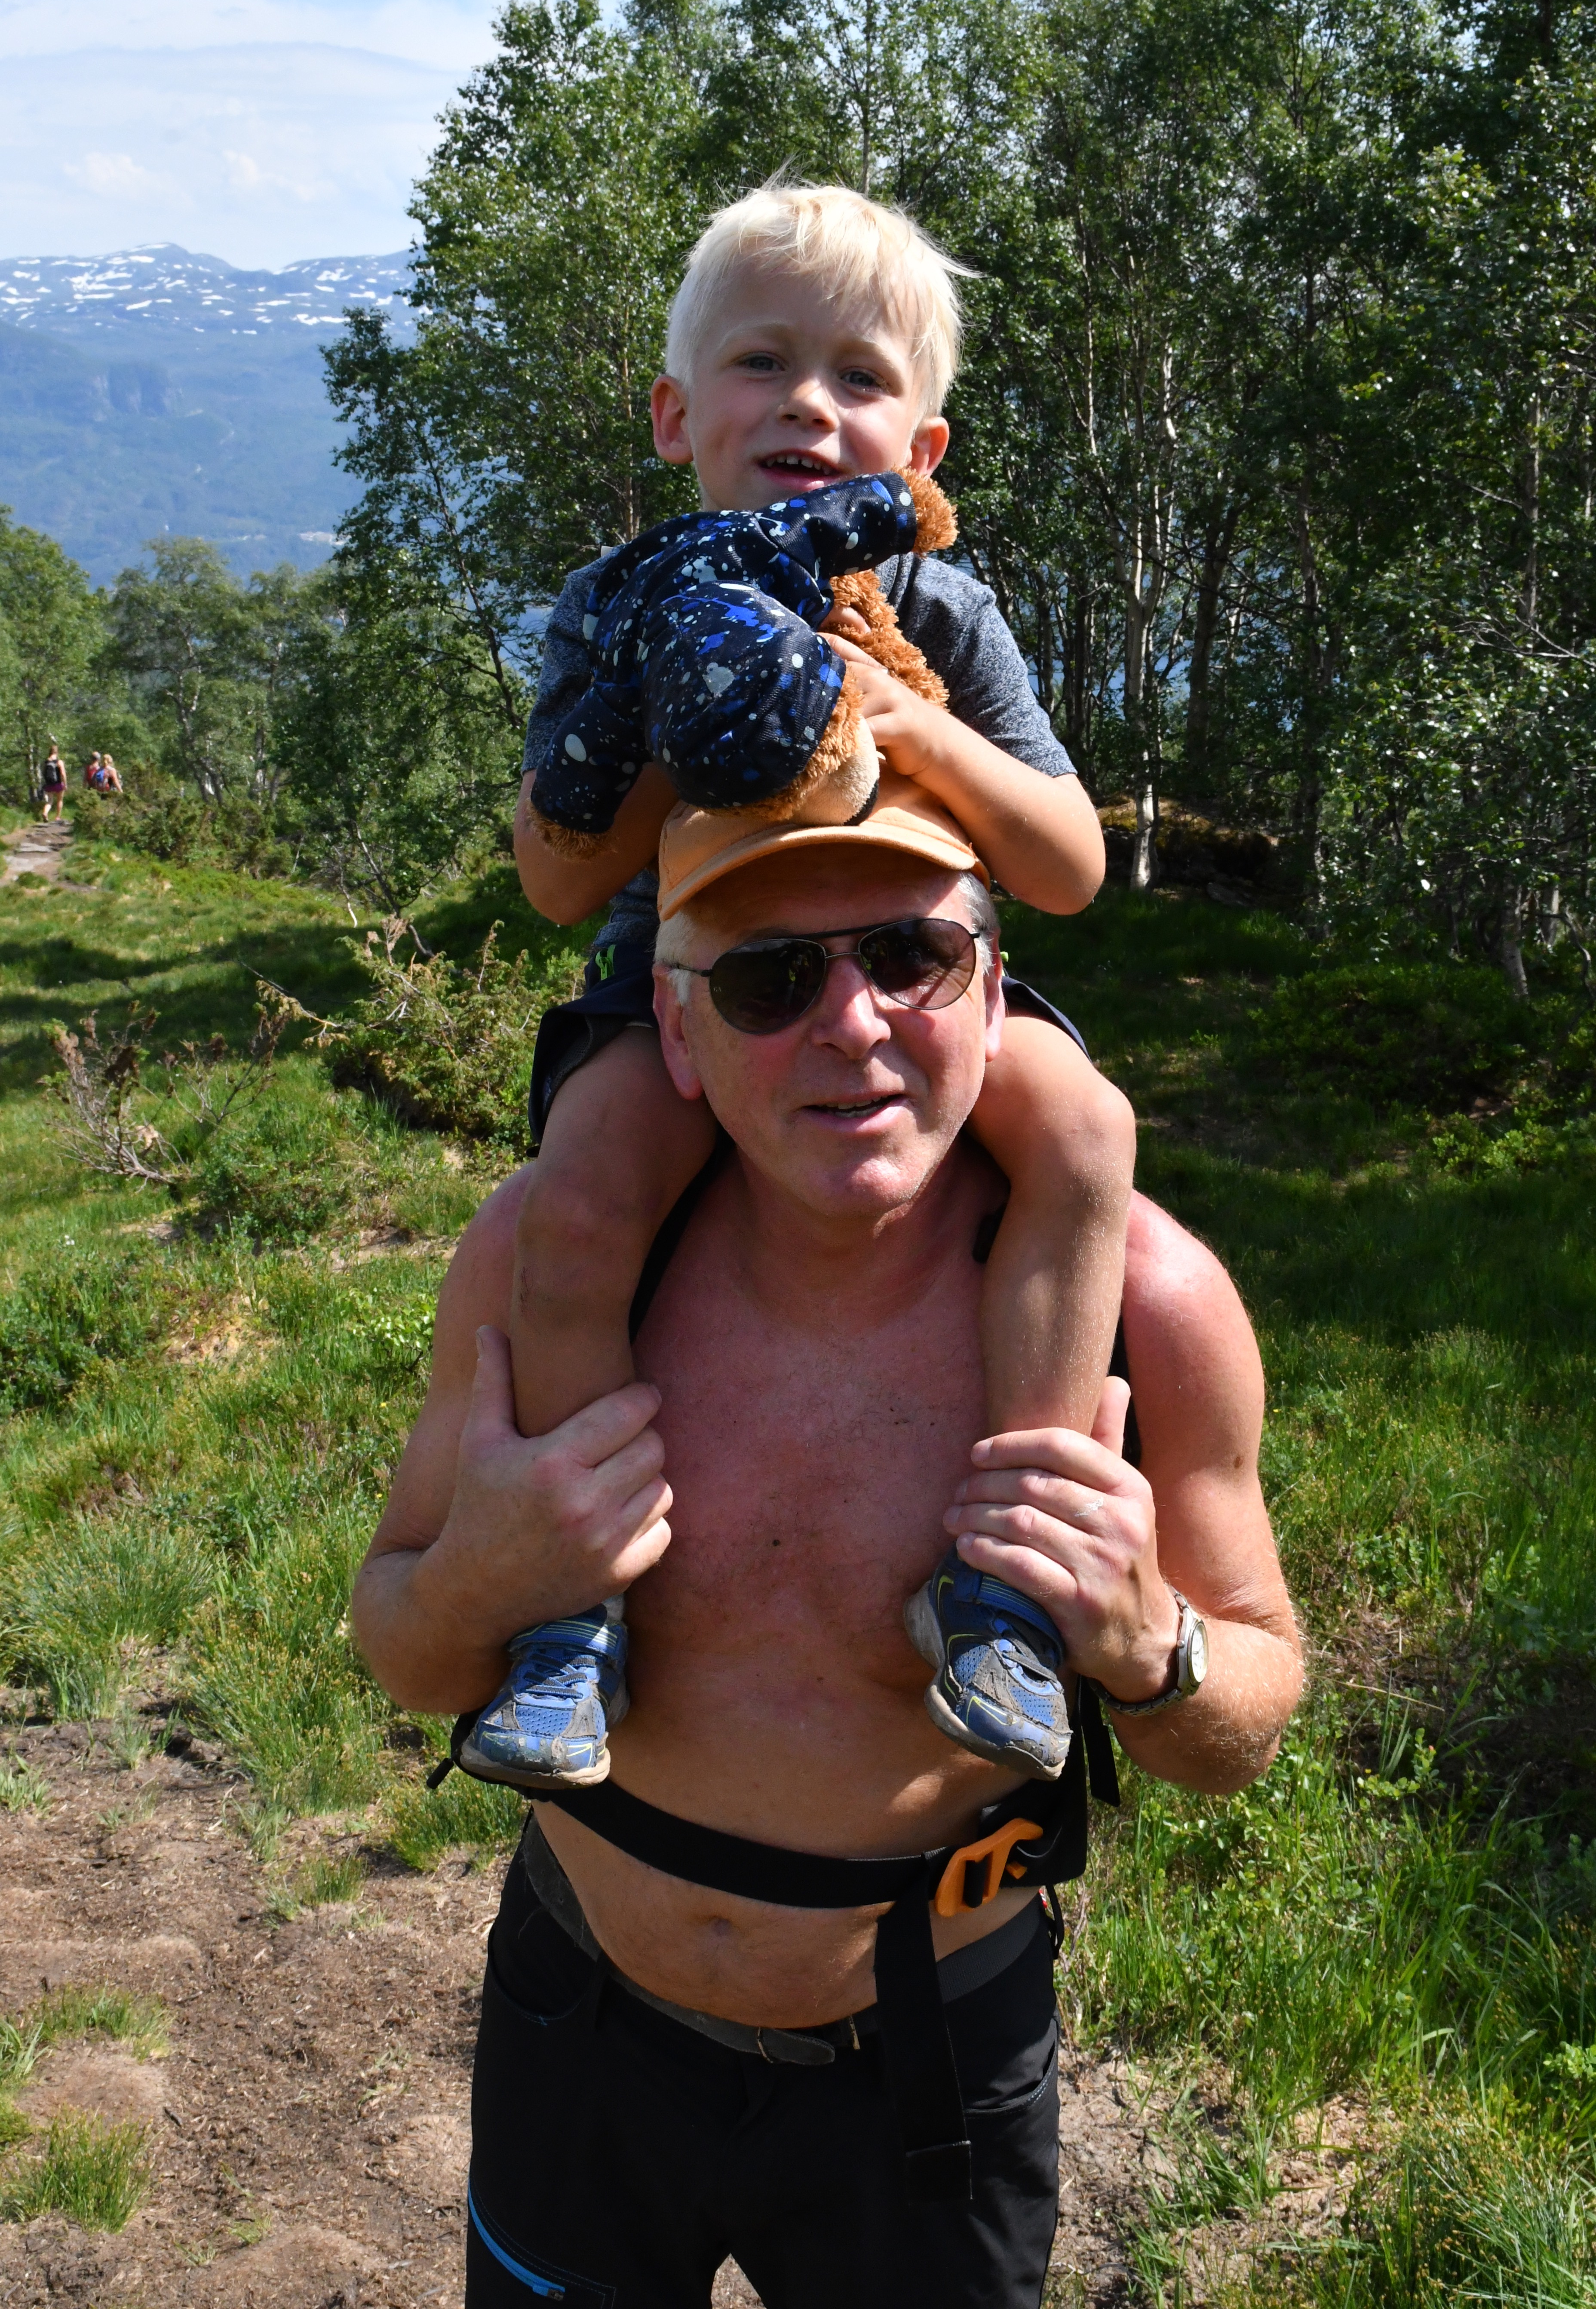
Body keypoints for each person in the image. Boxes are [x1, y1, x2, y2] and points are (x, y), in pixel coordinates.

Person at [353, 788, 1303, 2309]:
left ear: (993, 991)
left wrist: (1150, 1643)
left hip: (933, 2059)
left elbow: (1246, 1718)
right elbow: (401, 1639)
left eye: (910, 956)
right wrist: (481, 1577)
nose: (851, 1025)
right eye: (768, 978)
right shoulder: (550, 1263)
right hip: (578, 2023)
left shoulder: (1150, 1303)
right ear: (676, 1031)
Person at [467, 182, 1137, 1798]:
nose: (809, 406)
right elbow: (553, 880)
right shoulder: (614, 604)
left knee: (1086, 1133)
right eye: (761, 362)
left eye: (860, 376)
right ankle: (572, 1614)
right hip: (682, 981)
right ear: (674, 414)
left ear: (922, 453)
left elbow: (1066, 864)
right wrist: (670, 692)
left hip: (919, 981)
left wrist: (898, 723)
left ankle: (1006, 1588)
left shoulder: (938, 608)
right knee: (580, 1193)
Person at [40, 744, 66, 820]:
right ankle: (58, 817)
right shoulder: (59, 762)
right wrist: (65, 784)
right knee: (60, 800)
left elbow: (43, 773)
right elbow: (63, 774)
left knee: (50, 801)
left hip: (49, 785)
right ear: (57, 752)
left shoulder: (46, 762)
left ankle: (45, 813)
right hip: (58, 784)